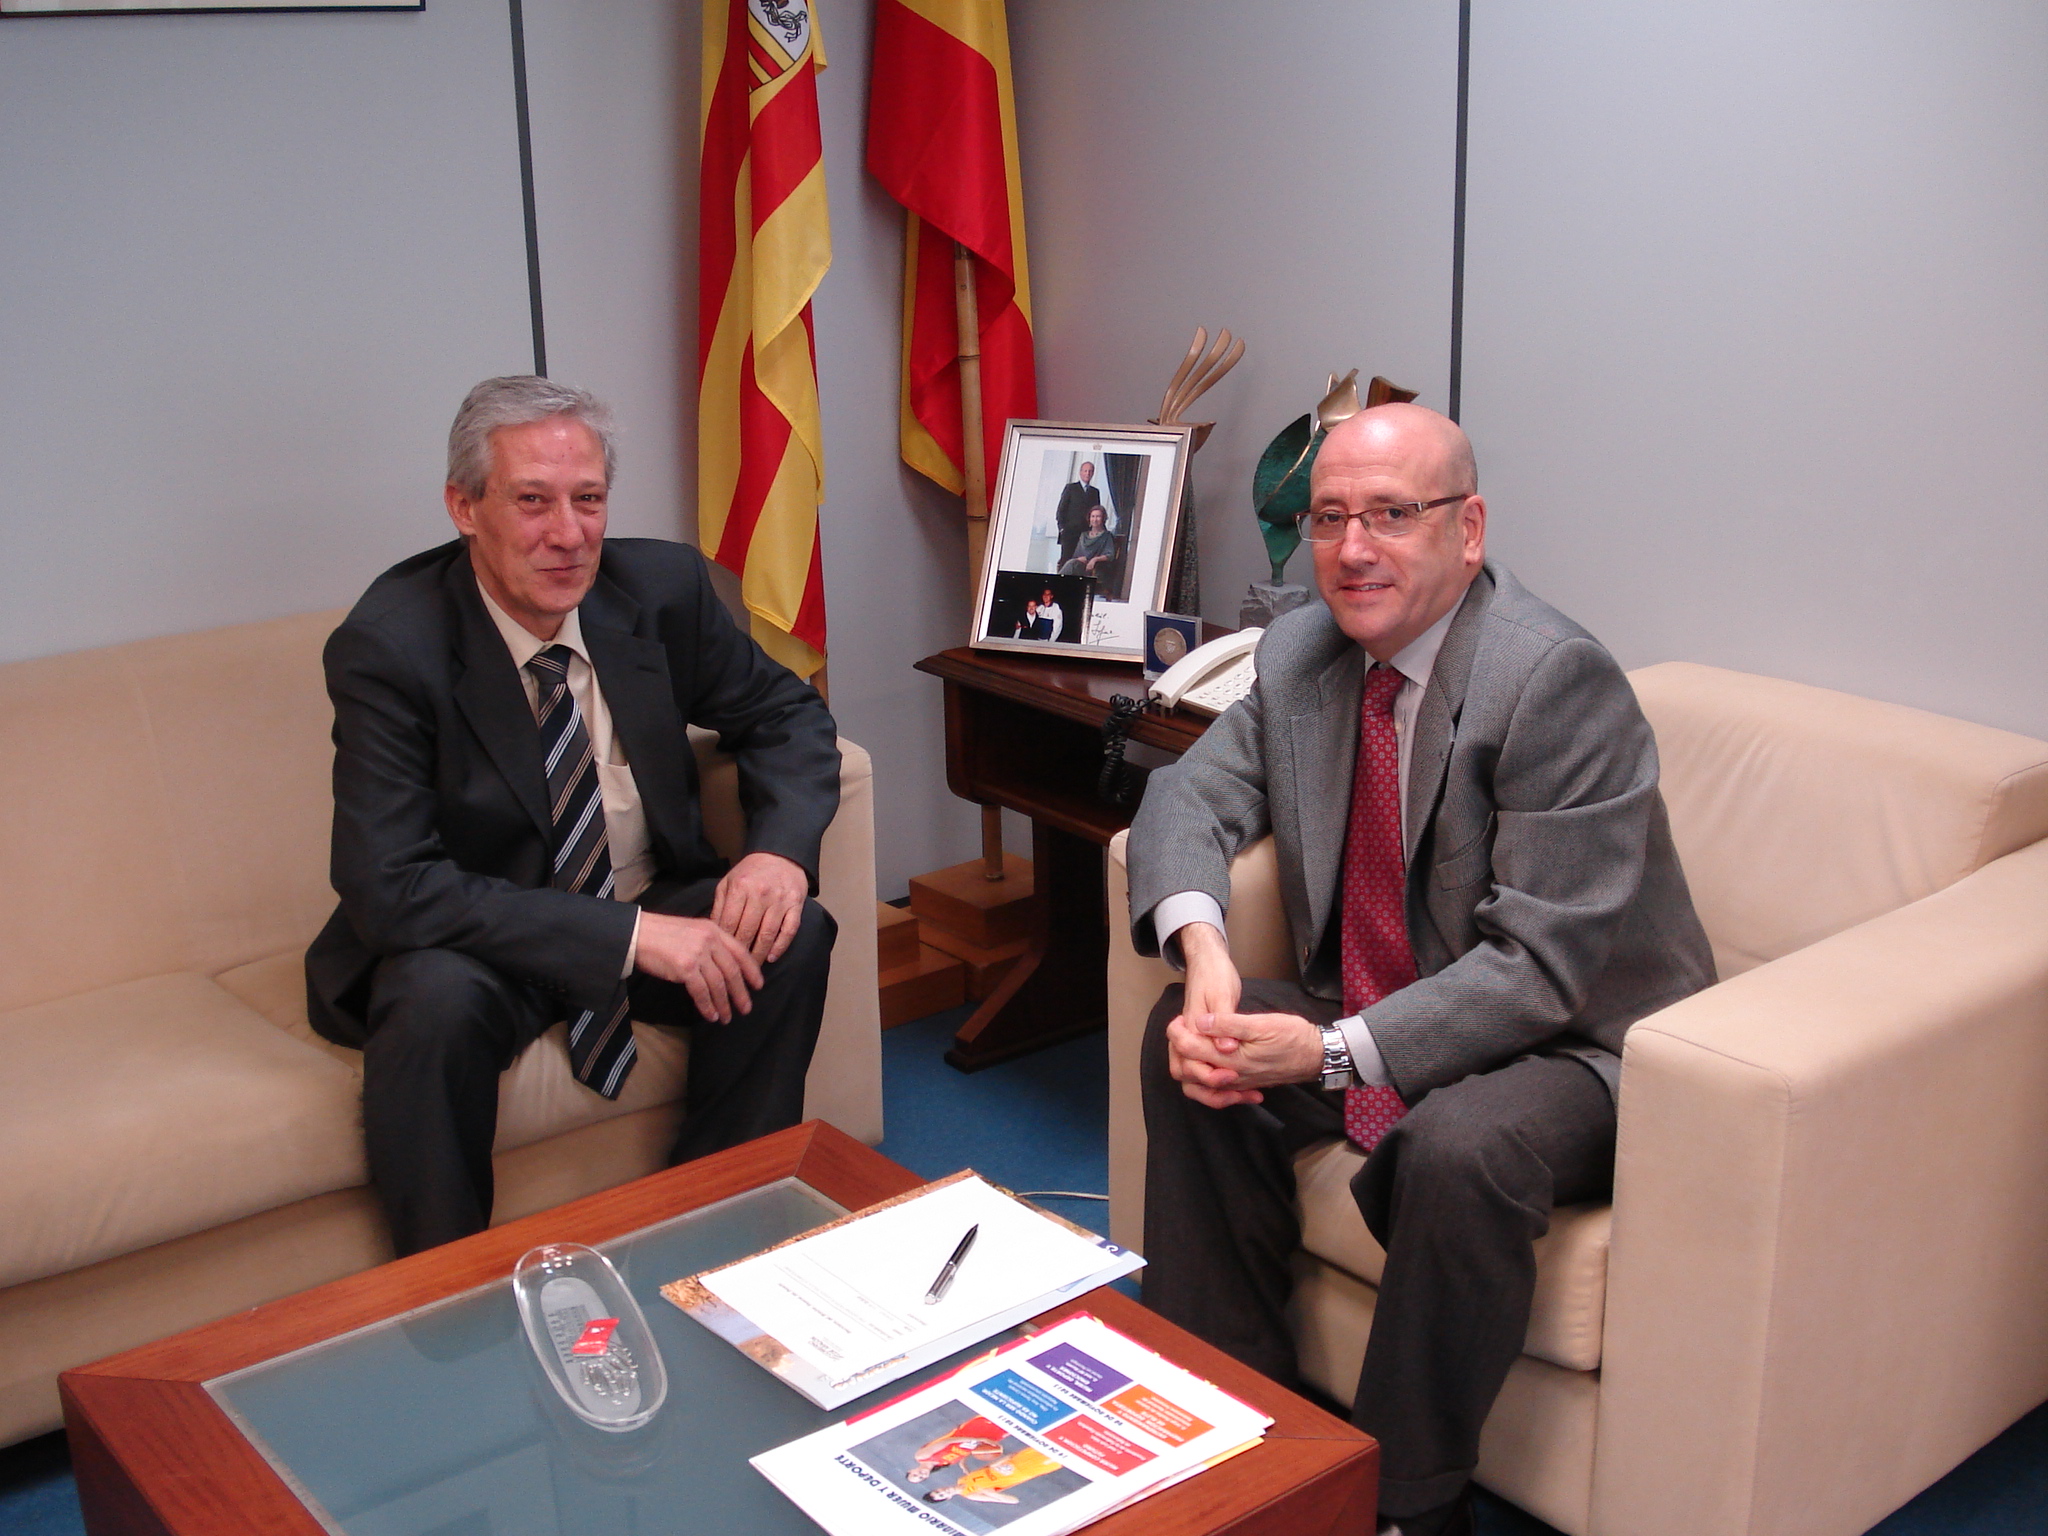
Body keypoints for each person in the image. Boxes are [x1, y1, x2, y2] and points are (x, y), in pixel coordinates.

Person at [1125, 403, 1713, 1536]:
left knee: (1458, 1148)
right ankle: (1229, 1413)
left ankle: (1401, 1504)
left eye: (1391, 515)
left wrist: (1329, 1052)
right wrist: (1204, 951)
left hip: (1580, 1042)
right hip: (1390, 994)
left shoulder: (1553, 680)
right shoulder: (1303, 651)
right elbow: (1186, 796)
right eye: (1329, 517)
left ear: (1468, 528)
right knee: (1190, 1042)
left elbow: (1537, 967)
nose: (1353, 549)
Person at [306, 375, 842, 1257]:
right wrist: (629, 937)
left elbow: (786, 714)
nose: (568, 534)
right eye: (532, 501)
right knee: (429, 1001)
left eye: (587, 499)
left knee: (788, 933)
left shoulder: (659, 590)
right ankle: (448, 1288)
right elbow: (389, 886)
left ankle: (722, 1228)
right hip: (488, 936)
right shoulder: (391, 646)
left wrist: (778, 853)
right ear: (464, 507)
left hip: (643, 891)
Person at [905, 1416, 1009, 1482]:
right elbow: (964, 1450)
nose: (920, 1475)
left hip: (972, 1431)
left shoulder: (922, 1456)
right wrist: (963, 1463)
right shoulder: (942, 1464)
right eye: (921, 1478)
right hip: (983, 1440)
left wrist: (978, 1439)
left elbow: (949, 1441)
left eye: (915, 1474)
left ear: (911, 1470)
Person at [1053, 459, 1104, 566]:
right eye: (1085, 471)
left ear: (1093, 473)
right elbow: (1061, 510)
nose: (1087, 473)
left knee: (1081, 562)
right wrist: (1062, 529)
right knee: (1066, 561)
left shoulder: (1095, 492)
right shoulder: (1071, 488)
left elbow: (1097, 512)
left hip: (1086, 535)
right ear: (1080, 472)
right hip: (1069, 533)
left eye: (1090, 471)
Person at [1058, 505, 1116, 581]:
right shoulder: (1084, 535)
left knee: (1071, 565)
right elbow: (1076, 555)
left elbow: (1110, 555)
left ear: (1103, 519)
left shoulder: (1106, 536)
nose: (1095, 519)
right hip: (1080, 565)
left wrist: (1094, 559)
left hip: (1094, 568)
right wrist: (1079, 559)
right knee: (1071, 564)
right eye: (1093, 516)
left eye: (1098, 516)